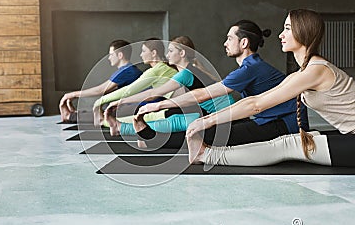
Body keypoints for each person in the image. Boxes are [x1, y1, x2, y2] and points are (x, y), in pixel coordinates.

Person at [184, 9, 354, 167]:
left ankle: (206, 155)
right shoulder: (305, 72)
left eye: (287, 28)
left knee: (288, 145)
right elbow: (256, 101)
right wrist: (208, 120)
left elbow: (256, 105)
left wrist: (207, 121)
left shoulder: (316, 71)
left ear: (303, 31)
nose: (281, 35)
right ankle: (205, 153)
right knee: (299, 140)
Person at [135, 20, 308, 149]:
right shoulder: (251, 66)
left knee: (211, 134)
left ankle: (153, 138)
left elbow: (202, 94)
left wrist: (160, 104)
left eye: (229, 39)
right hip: (270, 120)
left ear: (244, 43)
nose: (225, 43)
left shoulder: (251, 68)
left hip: (286, 125)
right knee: (215, 128)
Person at [104, 36, 234, 137]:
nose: (167, 55)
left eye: (171, 51)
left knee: (176, 121)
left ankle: (123, 128)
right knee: (174, 117)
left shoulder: (186, 73)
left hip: (224, 115)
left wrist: (121, 101)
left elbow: (153, 93)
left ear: (182, 53)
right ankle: (126, 129)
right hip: (221, 112)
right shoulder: (191, 68)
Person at [91, 38, 178, 127]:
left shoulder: (157, 70)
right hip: (168, 108)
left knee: (119, 121)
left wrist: (99, 101)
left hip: (170, 110)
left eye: (143, 51)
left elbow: (129, 90)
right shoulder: (163, 68)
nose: (141, 55)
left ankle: (106, 123)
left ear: (153, 53)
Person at [58, 39, 142, 122]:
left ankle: (69, 116)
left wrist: (72, 95)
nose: (109, 58)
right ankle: (73, 115)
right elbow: (106, 91)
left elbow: (101, 90)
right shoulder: (127, 70)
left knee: (106, 115)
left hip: (134, 108)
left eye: (111, 55)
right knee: (103, 111)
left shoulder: (127, 71)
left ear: (120, 55)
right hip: (131, 106)